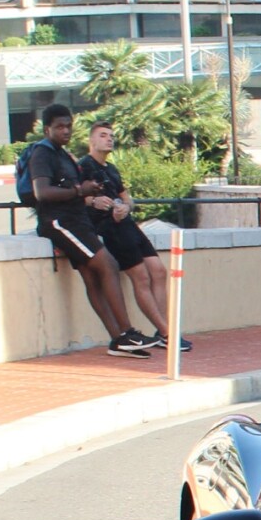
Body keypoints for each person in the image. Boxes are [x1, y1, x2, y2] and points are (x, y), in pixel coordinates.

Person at [25, 105, 154, 357]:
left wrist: (88, 191)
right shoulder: (43, 153)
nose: (65, 131)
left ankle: (118, 340)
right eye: (60, 126)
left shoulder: (64, 155)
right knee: (107, 265)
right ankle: (126, 332)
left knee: (92, 275)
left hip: (78, 220)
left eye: (69, 126)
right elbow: (42, 192)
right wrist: (79, 191)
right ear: (46, 129)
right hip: (59, 222)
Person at [77, 119, 184, 353]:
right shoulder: (83, 166)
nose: (109, 139)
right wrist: (94, 200)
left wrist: (126, 207)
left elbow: (127, 198)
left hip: (128, 225)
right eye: (103, 135)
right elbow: (75, 197)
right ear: (91, 140)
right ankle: (167, 332)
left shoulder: (111, 169)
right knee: (141, 277)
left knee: (158, 270)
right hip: (109, 229)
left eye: (111, 135)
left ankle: (164, 330)